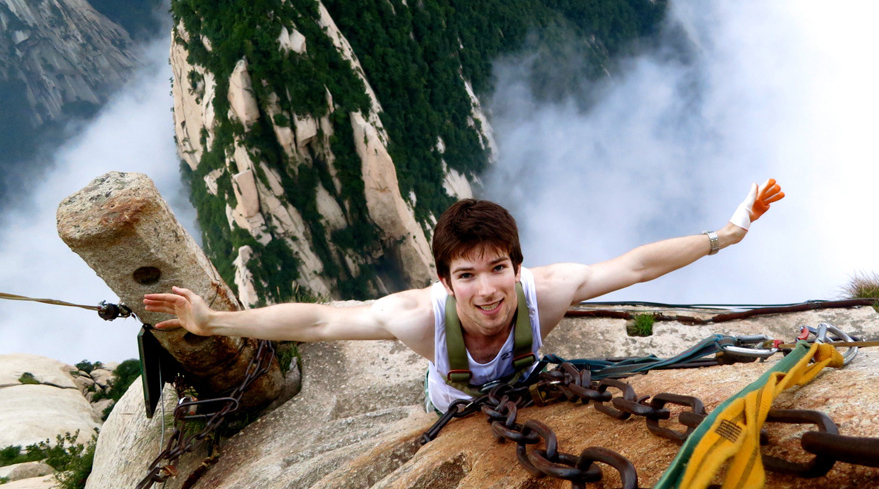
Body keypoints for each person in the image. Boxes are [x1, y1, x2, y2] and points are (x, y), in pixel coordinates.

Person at [143, 179, 784, 412]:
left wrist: (723, 235)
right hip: (449, 404)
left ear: (517, 267)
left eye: (498, 269)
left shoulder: (548, 293)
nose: (487, 290)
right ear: (446, 282)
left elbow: (636, 265)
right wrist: (209, 321)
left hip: (529, 390)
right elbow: (317, 322)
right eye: (468, 276)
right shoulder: (418, 319)